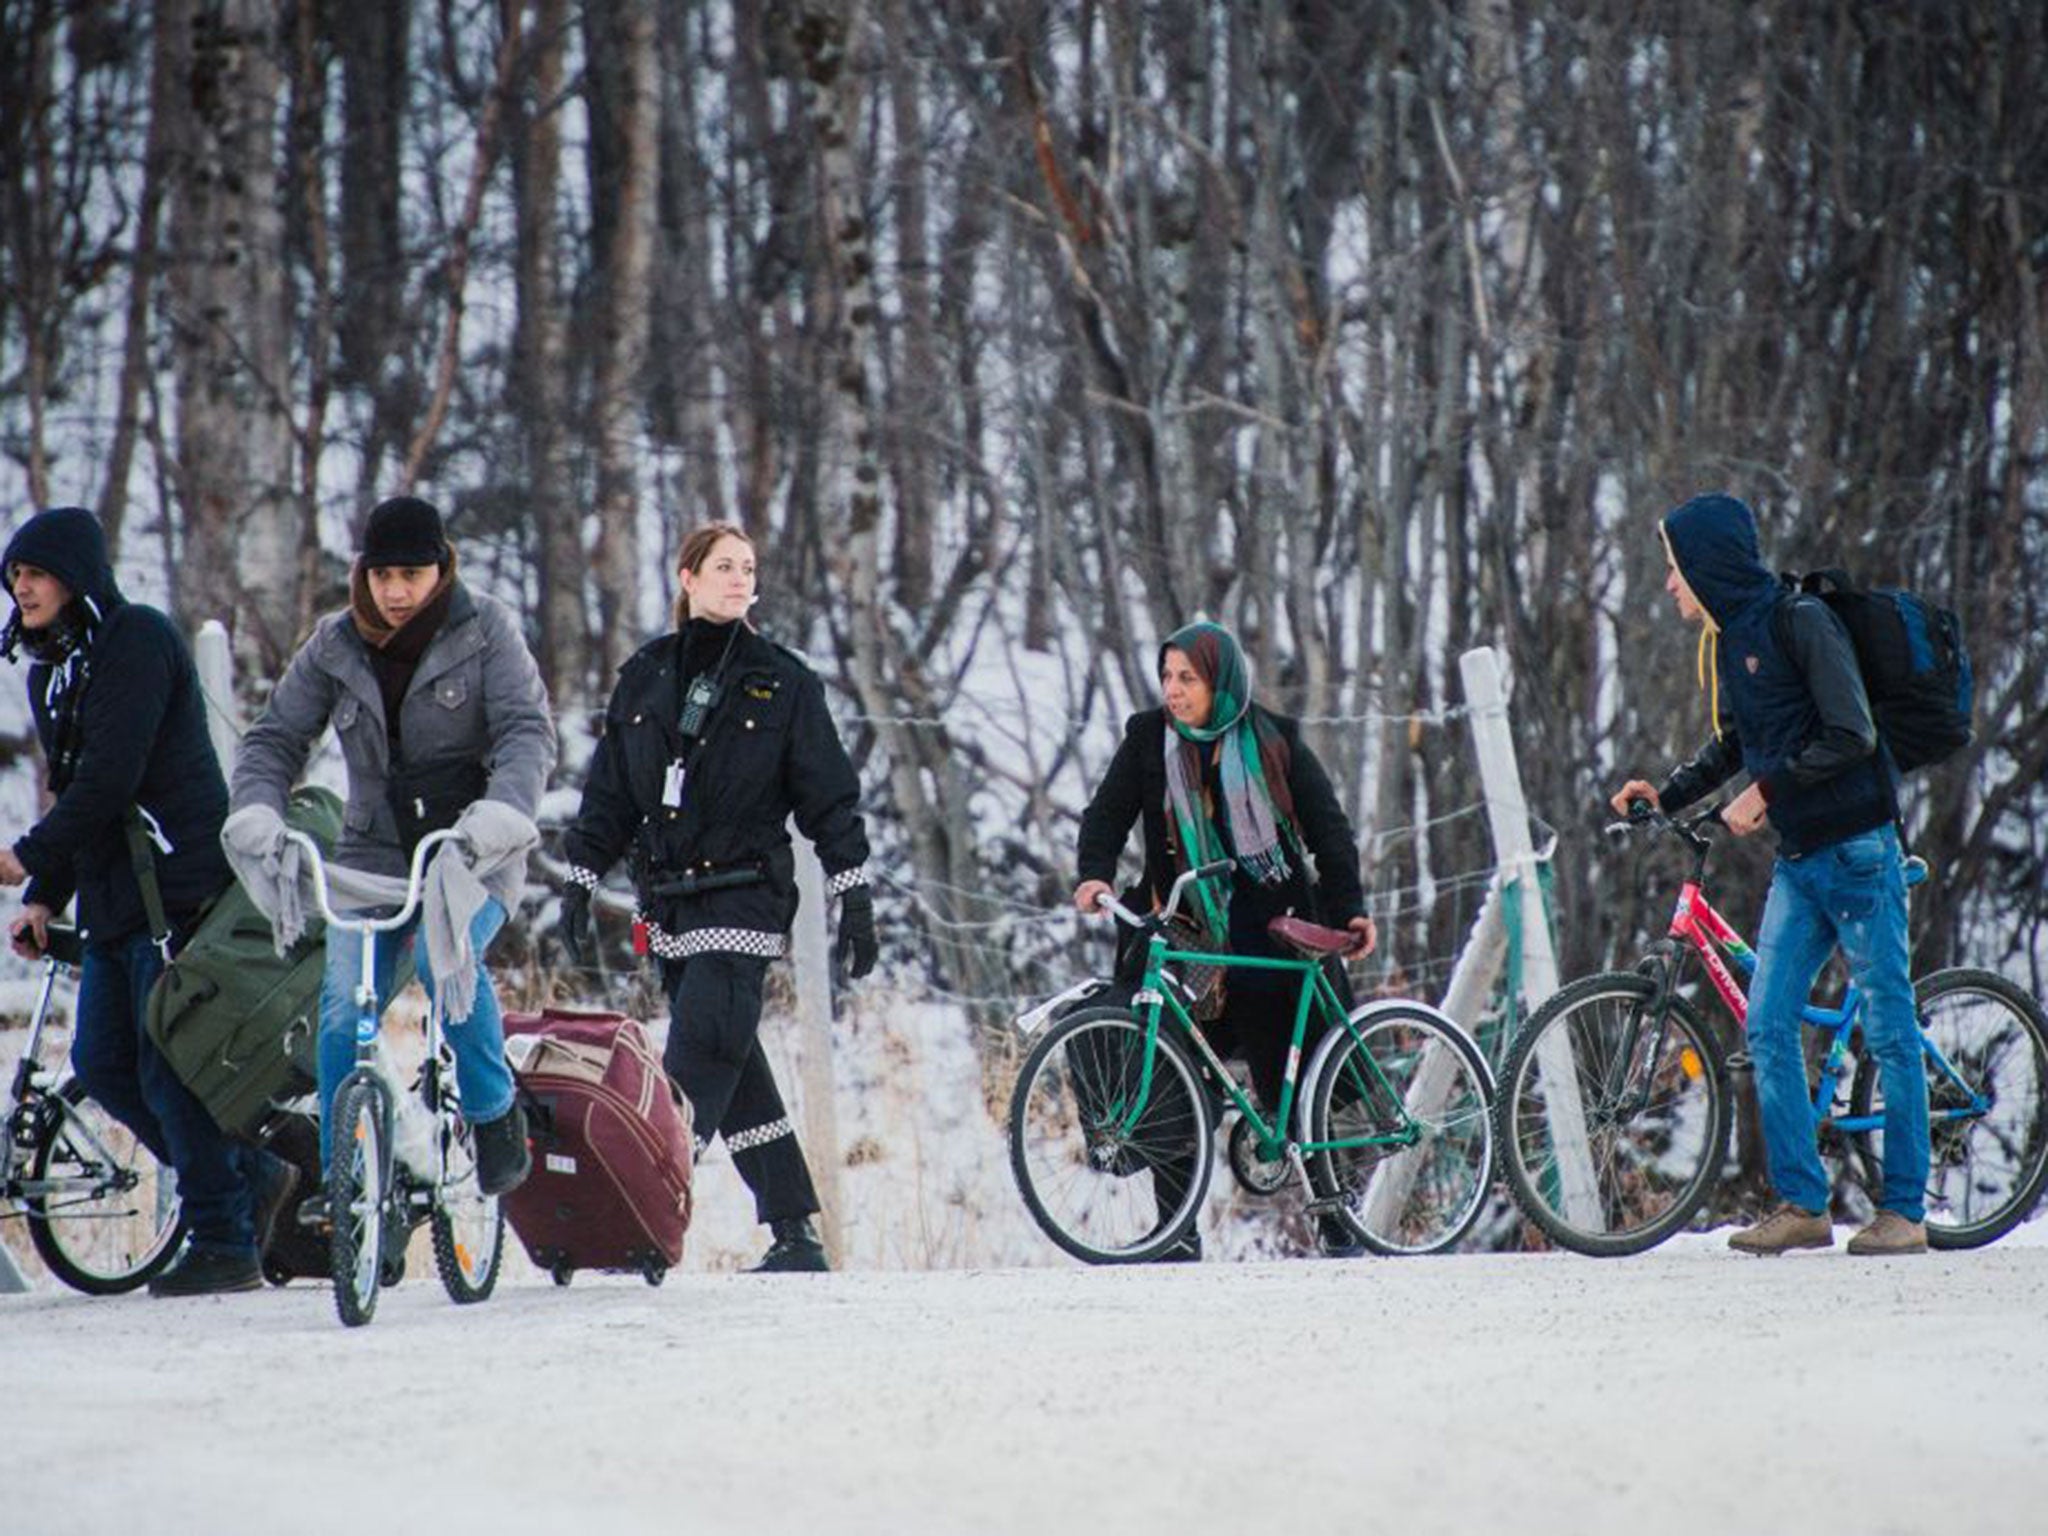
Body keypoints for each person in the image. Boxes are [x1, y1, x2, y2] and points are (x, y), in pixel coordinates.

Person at [1611, 491, 1929, 1256]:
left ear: (1708, 564)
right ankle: (1803, 1203)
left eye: (1675, 569)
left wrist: (1768, 791)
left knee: (1888, 1027)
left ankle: (1906, 1214)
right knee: (1766, 1022)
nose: (1669, 584)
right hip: (1800, 862)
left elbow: (1851, 732)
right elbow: (1737, 746)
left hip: (1858, 850)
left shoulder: (1801, 622)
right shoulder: (1732, 642)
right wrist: (1668, 790)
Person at [557, 521, 876, 1274]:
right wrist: (579, 877)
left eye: (749, 568)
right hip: (668, 900)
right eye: (724, 566)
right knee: (733, 1068)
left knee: (698, 1053)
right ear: (687, 577)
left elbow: (830, 798)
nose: (740, 579)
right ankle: (796, 1232)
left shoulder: (784, 681)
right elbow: (609, 794)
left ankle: (635, 1211)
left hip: (746, 897)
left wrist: (852, 890)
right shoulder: (643, 675)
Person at [229, 495, 555, 1211]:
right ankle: (344, 1181)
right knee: (345, 1008)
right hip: (371, 858)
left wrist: (500, 815)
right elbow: (275, 739)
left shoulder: (487, 630)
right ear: (363, 576)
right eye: (382, 576)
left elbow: (527, 733)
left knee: (447, 972)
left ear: (442, 569)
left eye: (412, 574)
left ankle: (493, 1111)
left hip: (469, 853)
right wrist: (255, 810)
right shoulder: (334, 644)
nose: (397, 592)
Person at [1, 505, 295, 1296]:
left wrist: (25, 856)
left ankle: (225, 1239)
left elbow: (115, 776)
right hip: (109, 899)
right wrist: (44, 895)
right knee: (103, 1063)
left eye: (35, 573)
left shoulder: (139, 640)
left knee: (171, 1068)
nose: (21, 588)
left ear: (76, 577)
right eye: (14, 576)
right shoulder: (51, 671)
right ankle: (249, 1180)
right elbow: (79, 790)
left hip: (176, 890)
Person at [1074, 619, 1376, 1261]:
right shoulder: (1147, 740)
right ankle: (1174, 1233)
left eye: (1188, 678)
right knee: (1161, 1063)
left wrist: (1349, 910)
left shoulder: (1276, 743)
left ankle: (1336, 1222)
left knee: (1298, 1077)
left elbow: (1329, 833)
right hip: (1183, 928)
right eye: (1167, 677)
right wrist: (1094, 872)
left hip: (1267, 936)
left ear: (1221, 681)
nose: (1173, 691)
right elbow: (1106, 814)